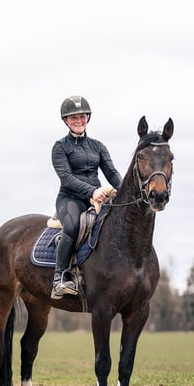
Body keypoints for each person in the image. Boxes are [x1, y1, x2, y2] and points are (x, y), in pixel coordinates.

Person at [51, 95, 122, 299]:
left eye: (82, 116)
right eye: (73, 118)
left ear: (87, 118)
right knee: (73, 226)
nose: (78, 121)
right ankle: (59, 278)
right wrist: (92, 191)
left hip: (97, 199)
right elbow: (66, 178)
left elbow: (112, 173)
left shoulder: (98, 146)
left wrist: (127, 190)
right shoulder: (60, 147)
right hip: (70, 199)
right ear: (66, 121)